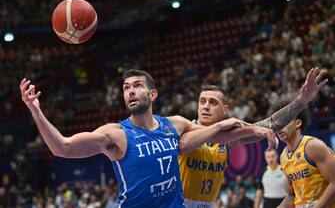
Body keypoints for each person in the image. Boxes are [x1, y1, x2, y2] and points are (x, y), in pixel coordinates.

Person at [20, 69, 275, 207]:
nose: (130, 91)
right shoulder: (115, 135)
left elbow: (220, 134)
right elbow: (62, 148)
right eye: (126, 88)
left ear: (153, 94)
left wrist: (256, 130)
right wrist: (36, 111)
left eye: (137, 85)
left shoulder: (174, 125)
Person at [178, 67, 328, 208]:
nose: (205, 106)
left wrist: (301, 101)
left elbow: (271, 123)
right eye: (202, 101)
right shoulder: (183, 130)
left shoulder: (229, 139)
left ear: (225, 110)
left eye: (213, 102)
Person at [276, 103, 335, 208]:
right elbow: (292, 195)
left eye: (284, 121)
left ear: (297, 123)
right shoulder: (283, 157)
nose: (279, 126)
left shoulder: (312, 146)